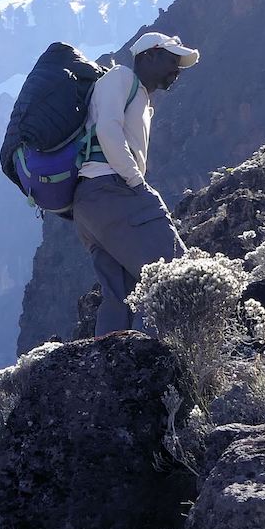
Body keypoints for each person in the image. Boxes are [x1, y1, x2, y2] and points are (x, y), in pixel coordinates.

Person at [73, 32, 200, 335]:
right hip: (114, 190)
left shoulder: (136, 94)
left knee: (122, 297)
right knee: (174, 276)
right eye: (172, 60)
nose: (177, 70)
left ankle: (115, 374)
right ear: (149, 55)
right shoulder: (120, 77)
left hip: (90, 205)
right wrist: (135, 181)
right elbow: (108, 130)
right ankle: (168, 368)